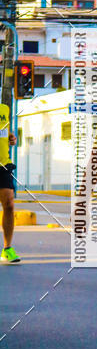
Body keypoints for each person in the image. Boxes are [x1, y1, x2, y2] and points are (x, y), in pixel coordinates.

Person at [0, 103, 20, 263]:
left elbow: (4, 131)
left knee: (9, 204)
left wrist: (10, 138)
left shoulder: (4, 109)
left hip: (3, 164)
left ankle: (7, 249)